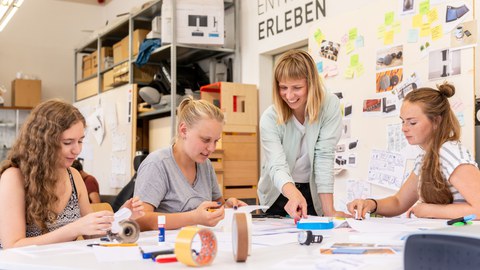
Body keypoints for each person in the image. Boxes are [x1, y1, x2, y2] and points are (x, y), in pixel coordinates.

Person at [0, 99, 144, 249]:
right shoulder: (14, 177)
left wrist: (121, 217)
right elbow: (13, 246)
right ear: (44, 143)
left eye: (80, 141)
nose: (77, 150)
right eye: (68, 142)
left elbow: (91, 234)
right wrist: (75, 228)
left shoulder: (73, 176)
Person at [347, 82, 480, 219]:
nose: (404, 128)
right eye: (403, 121)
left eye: (412, 122)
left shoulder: (449, 153)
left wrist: (430, 210)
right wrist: (371, 204)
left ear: (436, 121)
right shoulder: (425, 158)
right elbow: (399, 202)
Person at [257, 49, 350, 221]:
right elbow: (277, 165)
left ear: (311, 84)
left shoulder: (329, 106)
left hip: (313, 192)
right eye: (283, 88)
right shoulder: (270, 118)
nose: (289, 95)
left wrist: (330, 211)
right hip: (279, 191)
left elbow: (324, 156)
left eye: (297, 88)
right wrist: (293, 193)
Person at [134, 96, 247, 230]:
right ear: (184, 130)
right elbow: (141, 219)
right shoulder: (157, 164)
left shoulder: (205, 165)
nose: (212, 148)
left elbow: (216, 205)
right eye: (206, 140)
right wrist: (193, 217)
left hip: (200, 242)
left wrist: (226, 208)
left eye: (216, 141)